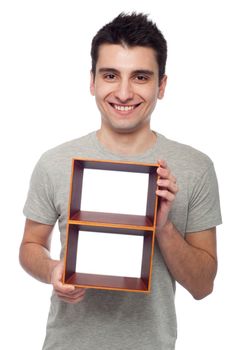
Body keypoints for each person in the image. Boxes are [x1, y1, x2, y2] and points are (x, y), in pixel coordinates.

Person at [19, 12, 222, 350]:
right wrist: (53, 269)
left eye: (140, 77)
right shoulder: (54, 162)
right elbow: (30, 246)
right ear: (92, 81)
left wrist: (164, 227)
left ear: (162, 85)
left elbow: (203, 286)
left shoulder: (195, 168)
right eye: (111, 75)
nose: (124, 92)